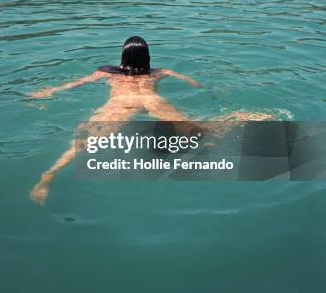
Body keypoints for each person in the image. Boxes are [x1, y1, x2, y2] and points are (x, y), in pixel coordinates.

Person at [28, 36, 272, 204]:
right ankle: (241, 118)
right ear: (147, 56)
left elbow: (75, 83)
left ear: (123, 55)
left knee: (86, 143)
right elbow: (190, 81)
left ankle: (48, 175)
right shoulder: (158, 72)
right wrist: (200, 86)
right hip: (152, 100)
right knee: (197, 132)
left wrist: (49, 92)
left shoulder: (107, 71)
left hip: (122, 103)